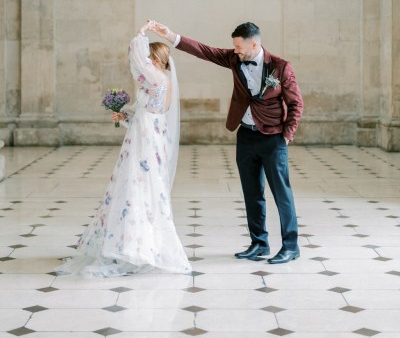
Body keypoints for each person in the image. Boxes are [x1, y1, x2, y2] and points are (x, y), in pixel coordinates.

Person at [153, 20, 303, 265]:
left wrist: (286, 135)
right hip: (245, 135)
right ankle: (259, 243)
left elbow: (297, 104)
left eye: (239, 46)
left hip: (273, 137)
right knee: (252, 192)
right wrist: (171, 36)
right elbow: (205, 51)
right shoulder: (234, 59)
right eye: (234, 46)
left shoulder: (280, 67)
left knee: (281, 194)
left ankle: (290, 246)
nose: (236, 50)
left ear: (254, 43)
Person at [57, 21, 191, 277]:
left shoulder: (157, 78)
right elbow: (147, 110)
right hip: (143, 133)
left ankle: (138, 247)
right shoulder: (156, 81)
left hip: (147, 139)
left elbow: (137, 62)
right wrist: (125, 115)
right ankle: (128, 241)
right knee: (133, 185)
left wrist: (141, 35)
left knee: (141, 185)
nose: (147, 62)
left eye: (151, 58)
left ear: (158, 60)